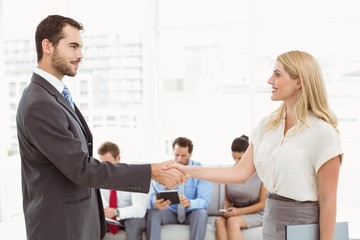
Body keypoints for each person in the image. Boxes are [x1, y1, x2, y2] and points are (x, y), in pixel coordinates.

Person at [16, 15, 184, 240]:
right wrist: (150, 171)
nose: (80, 55)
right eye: (73, 46)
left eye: (81, 47)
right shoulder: (40, 103)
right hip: (60, 228)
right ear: (47, 46)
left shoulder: (52, 95)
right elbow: (82, 169)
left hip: (76, 223)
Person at [166, 50, 343, 239]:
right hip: (272, 217)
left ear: (298, 82)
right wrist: (188, 170)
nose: (269, 80)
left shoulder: (323, 133)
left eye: (277, 74)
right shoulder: (267, 126)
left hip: (305, 222)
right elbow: (239, 172)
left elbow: (328, 200)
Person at [146, 137, 212, 240]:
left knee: (202, 213)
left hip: (190, 212)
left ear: (190, 154)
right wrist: (155, 202)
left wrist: (190, 203)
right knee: (153, 212)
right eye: (176, 155)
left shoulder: (199, 170)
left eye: (183, 155)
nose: (179, 159)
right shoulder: (165, 169)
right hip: (169, 212)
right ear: (173, 152)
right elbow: (154, 195)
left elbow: (205, 201)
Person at [215, 135, 266, 240]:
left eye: (240, 158)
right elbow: (227, 199)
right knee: (219, 221)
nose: (237, 162)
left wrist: (239, 212)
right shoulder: (229, 173)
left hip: (257, 213)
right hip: (235, 212)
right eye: (234, 158)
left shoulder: (261, 173)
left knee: (233, 222)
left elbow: (262, 204)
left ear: (248, 155)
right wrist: (226, 210)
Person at [97, 141, 149, 240]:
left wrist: (116, 212)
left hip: (130, 217)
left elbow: (140, 210)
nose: (105, 168)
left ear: (118, 158)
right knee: (92, 223)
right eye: (102, 164)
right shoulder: (99, 178)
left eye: (108, 163)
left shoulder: (134, 177)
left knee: (134, 223)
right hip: (108, 218)